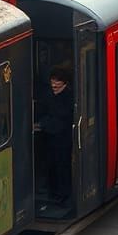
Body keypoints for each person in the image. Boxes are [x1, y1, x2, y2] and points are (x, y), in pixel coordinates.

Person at [35, 70, 73, 209]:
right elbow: (43, 111)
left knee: (62, 166)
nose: (54, 86)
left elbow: (62, 117)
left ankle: (63, 194)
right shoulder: (48, 95)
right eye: (52, 83)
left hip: (63, 139)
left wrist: (43, 124)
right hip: (50, 138)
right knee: (50, 166)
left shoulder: (69, 98)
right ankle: (52, 192)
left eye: (57, 84)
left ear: (64, 83)